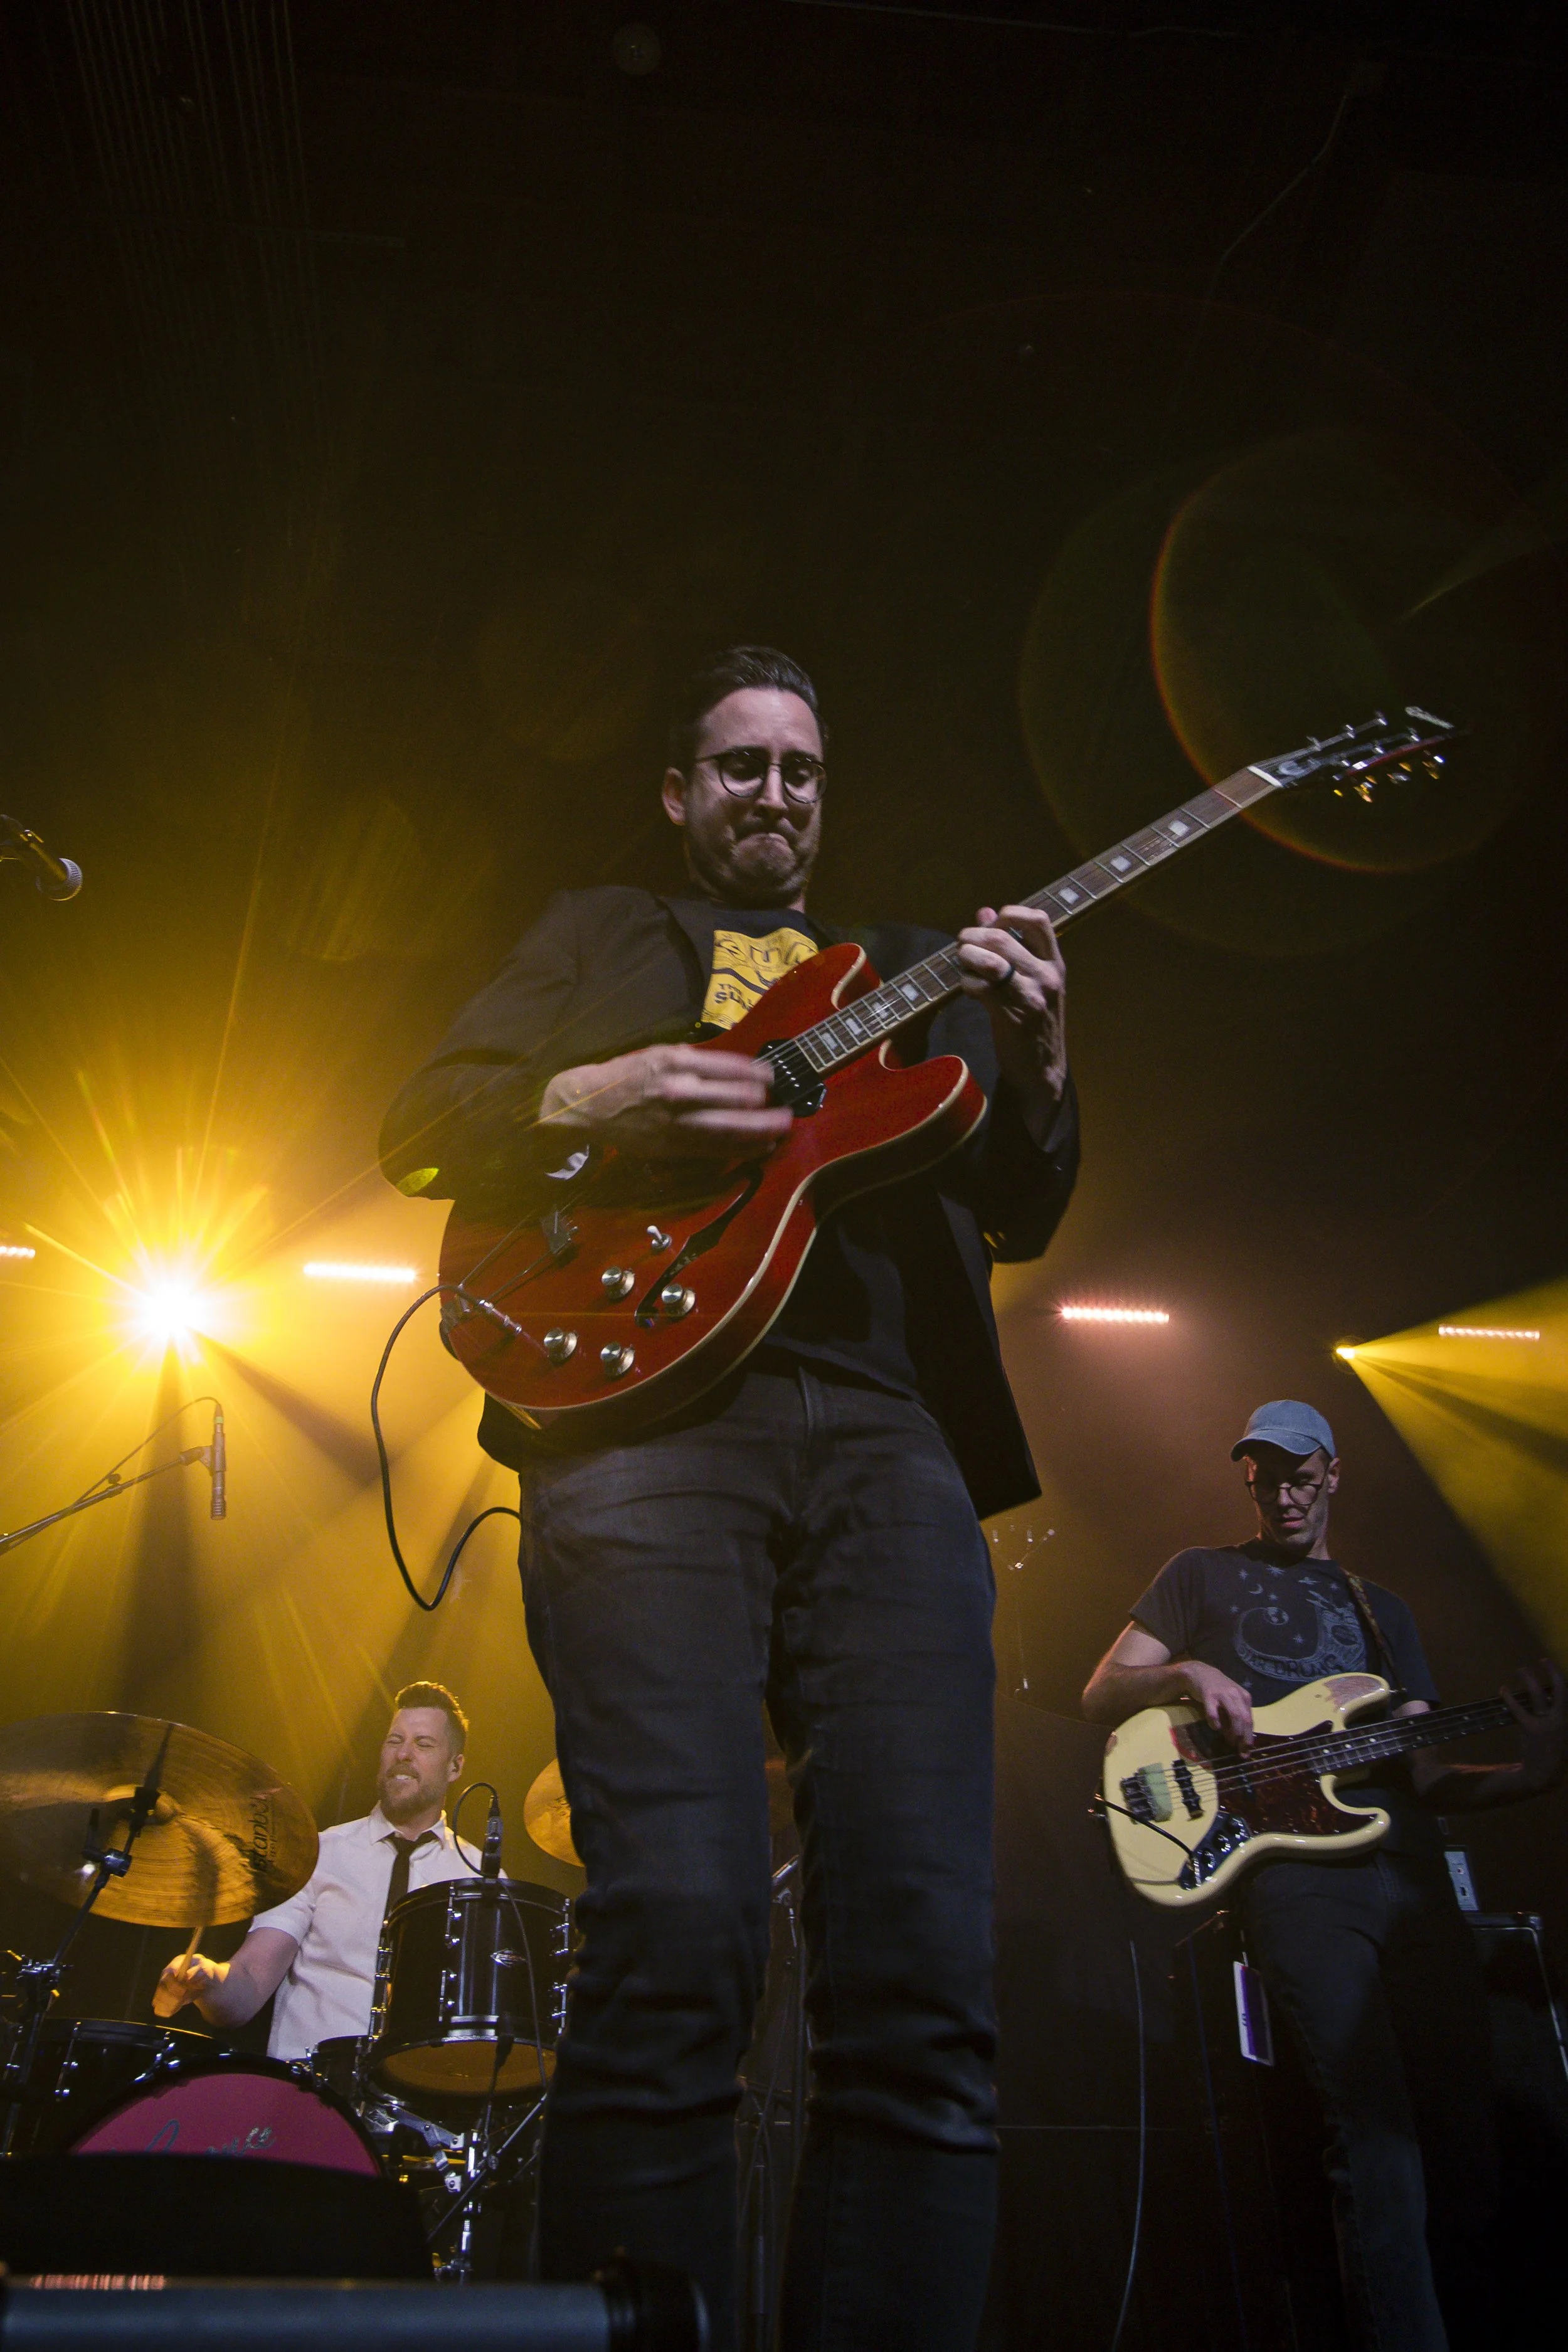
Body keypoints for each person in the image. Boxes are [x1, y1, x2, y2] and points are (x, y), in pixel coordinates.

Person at [379, 645, 1079, 2350]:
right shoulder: (602, 928)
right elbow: (422, 1119)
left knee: (920, 1964)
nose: (775, 793)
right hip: (638, 1426)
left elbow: (1027, 1202)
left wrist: (1044, 1056)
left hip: (887, 1436)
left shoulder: (914, 968)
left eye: (801, 770)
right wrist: (596, 1086)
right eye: (740, 764)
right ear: (681, 793)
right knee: (677, 1924)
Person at [1082, 1399, 1568, 2352]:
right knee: (1375, 2137)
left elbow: (1420, 1769)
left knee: (1465, 2137)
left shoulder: (1379, 1609)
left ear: (1333, 1473)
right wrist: (1186, 1672)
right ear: (1247, 1480)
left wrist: (1536, 1770)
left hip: (1414, 1882)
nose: (1284, 1493)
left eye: (1300, 1474)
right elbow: (1102, 1691)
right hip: (1303, 1883)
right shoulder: (1200, 1573)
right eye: (1265, 1476)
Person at [155, 1682, 479, 2056]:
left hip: (420, 2097)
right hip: (309, 2090)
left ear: (455, 1767)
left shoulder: (479, 1879)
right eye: (394, 1740)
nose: (404, 1754)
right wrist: (208, 1980)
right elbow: (247, 1987)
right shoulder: (318, 1853)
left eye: (424, 1744)